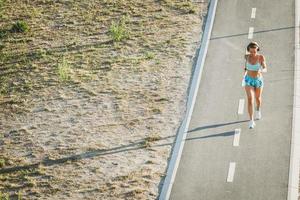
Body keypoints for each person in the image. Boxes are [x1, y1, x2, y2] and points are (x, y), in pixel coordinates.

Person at [242, 41, 267, 129]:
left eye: (254, 51)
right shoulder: (246, 56)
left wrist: (262, 70)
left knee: (258, 99)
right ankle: (251, 121)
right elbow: (245, 67)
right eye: (251, 51)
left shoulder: (261, 57)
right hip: (248, 80)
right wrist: (244, 74)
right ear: (248, 50)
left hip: (258, 80)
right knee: (250, 99)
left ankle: (258, 110)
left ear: (257, 50)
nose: (252, 53)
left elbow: (265, 68)